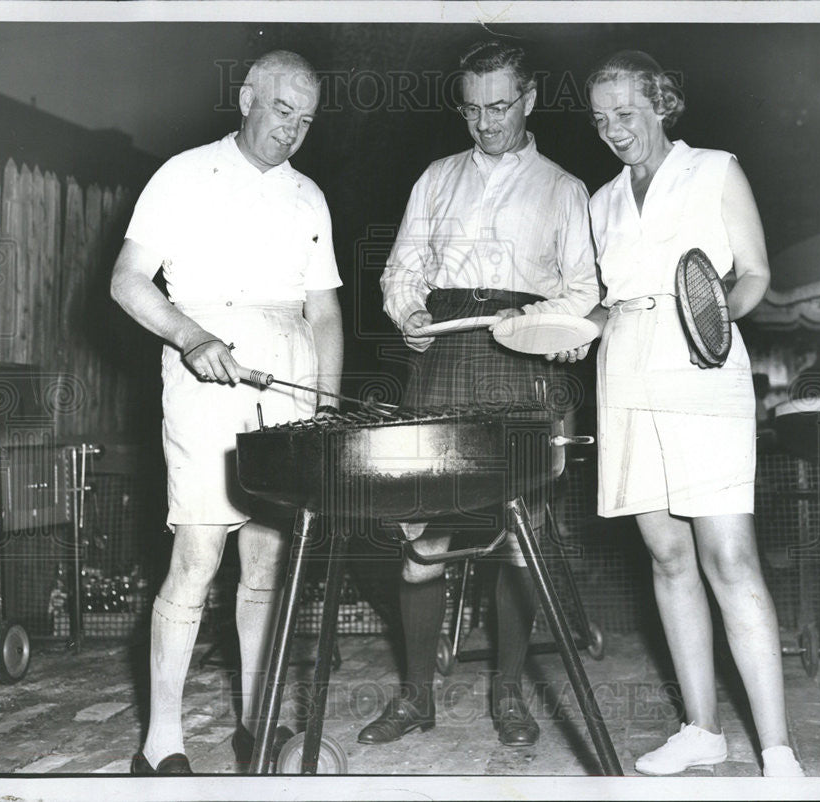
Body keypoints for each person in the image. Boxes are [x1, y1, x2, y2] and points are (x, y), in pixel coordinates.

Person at [110, 50, 343, 775]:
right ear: (247, 97)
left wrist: (327, 406)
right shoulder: (183, 175)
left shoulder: (309, 197)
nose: (291, 131)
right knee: (200, 552)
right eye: (281, 111)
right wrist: (191, 336)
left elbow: (326, 311)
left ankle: (256, 723)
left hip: (290, 378)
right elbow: (125, 282)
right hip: (206, 372)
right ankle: (162, 744)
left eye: (305, 121)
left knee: (268, 559)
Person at [572, 50, 804, 777]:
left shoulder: (715, 170)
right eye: (602, 118)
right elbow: (608, 304)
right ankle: (701, 729)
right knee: (668, 556)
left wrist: (714, 323)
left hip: (704, 370)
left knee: (729, 557)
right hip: (628, 370)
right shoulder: (601, 201)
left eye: (628, 114)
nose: (614, 130)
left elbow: (757, 272)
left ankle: (778, 749)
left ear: (663, 103)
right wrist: (570, 334)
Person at [366, 40, 599, 749]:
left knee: (519, 535)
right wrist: (407, 312)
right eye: (471, 110)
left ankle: (507, 693)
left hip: (523, 362)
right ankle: (414, 698)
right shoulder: (435, 178)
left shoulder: (565, 189)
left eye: (499, 107)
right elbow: (402, 268)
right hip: (444, 359)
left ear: (528, 100)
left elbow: (585, 291)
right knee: (423, 531)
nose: (485, 124)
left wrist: (553, 329)